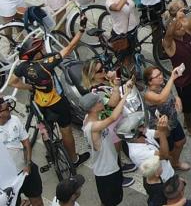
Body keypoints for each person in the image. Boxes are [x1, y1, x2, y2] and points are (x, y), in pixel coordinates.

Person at [9, 21, 89, 167]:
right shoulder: (47, 63)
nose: (44, 50)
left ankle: (51, 155)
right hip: (58, 102)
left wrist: (29, 86)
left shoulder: (23, 67)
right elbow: (70, 47)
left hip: (40, 103)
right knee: (66, 130)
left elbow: (12, 82)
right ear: (37, 53)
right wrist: (81, 29)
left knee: (45, 129)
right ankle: (74, 159)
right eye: (41, 49)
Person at [79, 84, 131, 206]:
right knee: (110, 201)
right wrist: (126, 94)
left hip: (111, 164)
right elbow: (113, 117)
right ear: (92, 108)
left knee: (111, 200)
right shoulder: (92, 126)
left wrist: (116, 87)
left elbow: (111, 107)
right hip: (106, 172)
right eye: (99, 101)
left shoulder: (90, 117)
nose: (102, 101)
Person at [162, 0, 191, 141]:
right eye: (177, 26)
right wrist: (175, 18)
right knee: (187, 108)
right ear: (171, 28)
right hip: (184, 82)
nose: (182, 26)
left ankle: (189, 121)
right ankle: (189, 126)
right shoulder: (169, 43)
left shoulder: (186, 31)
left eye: (182, 24)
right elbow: (168, 35)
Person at [0, 96, 42, 206]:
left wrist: (28, 163)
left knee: (37, 201)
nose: (9, 110)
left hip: (25, 171)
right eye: (6, 109)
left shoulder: (15, 120)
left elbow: (26, 142)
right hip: (8, 181)